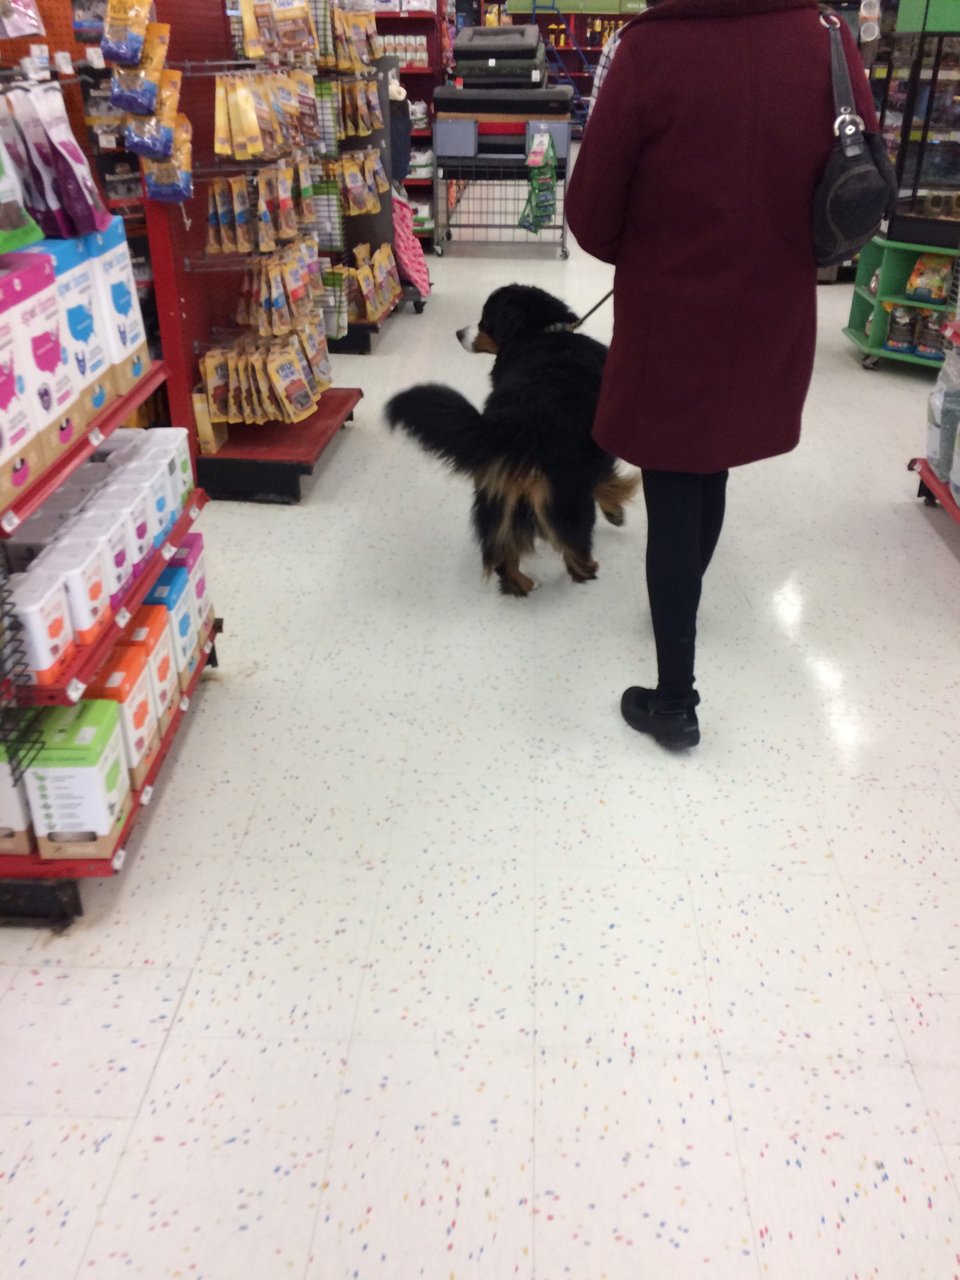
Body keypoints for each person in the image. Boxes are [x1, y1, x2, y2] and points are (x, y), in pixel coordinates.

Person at [565, 0, 878, 749]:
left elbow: (592, 213)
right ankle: (682, 602)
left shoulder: (651, 48)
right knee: (715, 459)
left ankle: (675, 699)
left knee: (674, 475)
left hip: (673, 306)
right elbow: (861, 165)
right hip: (772, 301)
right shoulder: (826, 34)